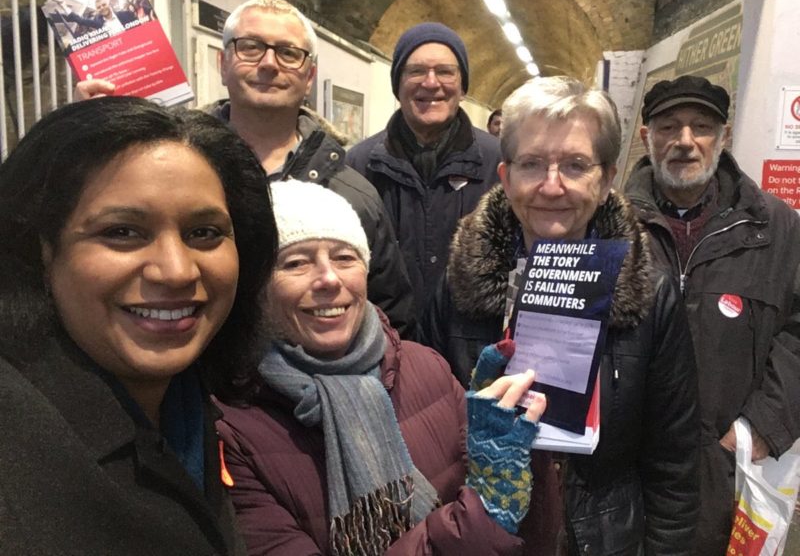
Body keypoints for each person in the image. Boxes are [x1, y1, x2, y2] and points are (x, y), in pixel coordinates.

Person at [422, 76, 700, 554]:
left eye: (575, 165)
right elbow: (425, 424)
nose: (553, 186)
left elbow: (673, 462)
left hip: (604, 538)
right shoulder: (459, 283)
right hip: (484, 533)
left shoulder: (649, 292)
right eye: (532, 165)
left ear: (607, 177)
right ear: (506, 176)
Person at [0, 97, 277, 555]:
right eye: (123, 232)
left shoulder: (185, 401)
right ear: (40, 250)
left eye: (204, 233)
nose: (176, 271)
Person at [216, 179, 548, 555]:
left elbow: (517, 529)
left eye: (345, 257)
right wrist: (480, 516)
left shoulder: (428, 369)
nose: (329, 278)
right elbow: (483, 518)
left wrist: (523, 437)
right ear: (257, 287)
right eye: (295, 262)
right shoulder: (230, 427)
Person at [74, 0, 415, 339]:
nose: (269, 63)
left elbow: (390, 316)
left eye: (288, 52)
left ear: (309, 76)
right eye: (250, 47)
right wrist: (95, 146)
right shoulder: (164, 167)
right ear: (223, 63)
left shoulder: (352, 195)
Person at [624, 75, 800, 556]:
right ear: (646, 137)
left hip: (728, 470)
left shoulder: (776, 227)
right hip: (625, 473)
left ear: (723, 137)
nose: (685, 141)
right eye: (668, 127)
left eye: (701, 126)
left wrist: (765, 424)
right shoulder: (607, 224)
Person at [347, 22, 502, 318]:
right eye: (416, 71)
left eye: (445, 71)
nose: (431, 83)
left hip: (471, 348)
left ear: (463, 85)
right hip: (387, 342)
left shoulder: (499, 164)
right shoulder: (358, 165)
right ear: (397, 85)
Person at [64, 0, 136, 35]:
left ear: (109, 5)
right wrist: (64, 6)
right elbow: (81, 20)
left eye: (104, 5)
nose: (102, 8)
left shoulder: (125, 14)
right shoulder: (98, 23)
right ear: (97, 10)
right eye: (98, 7)